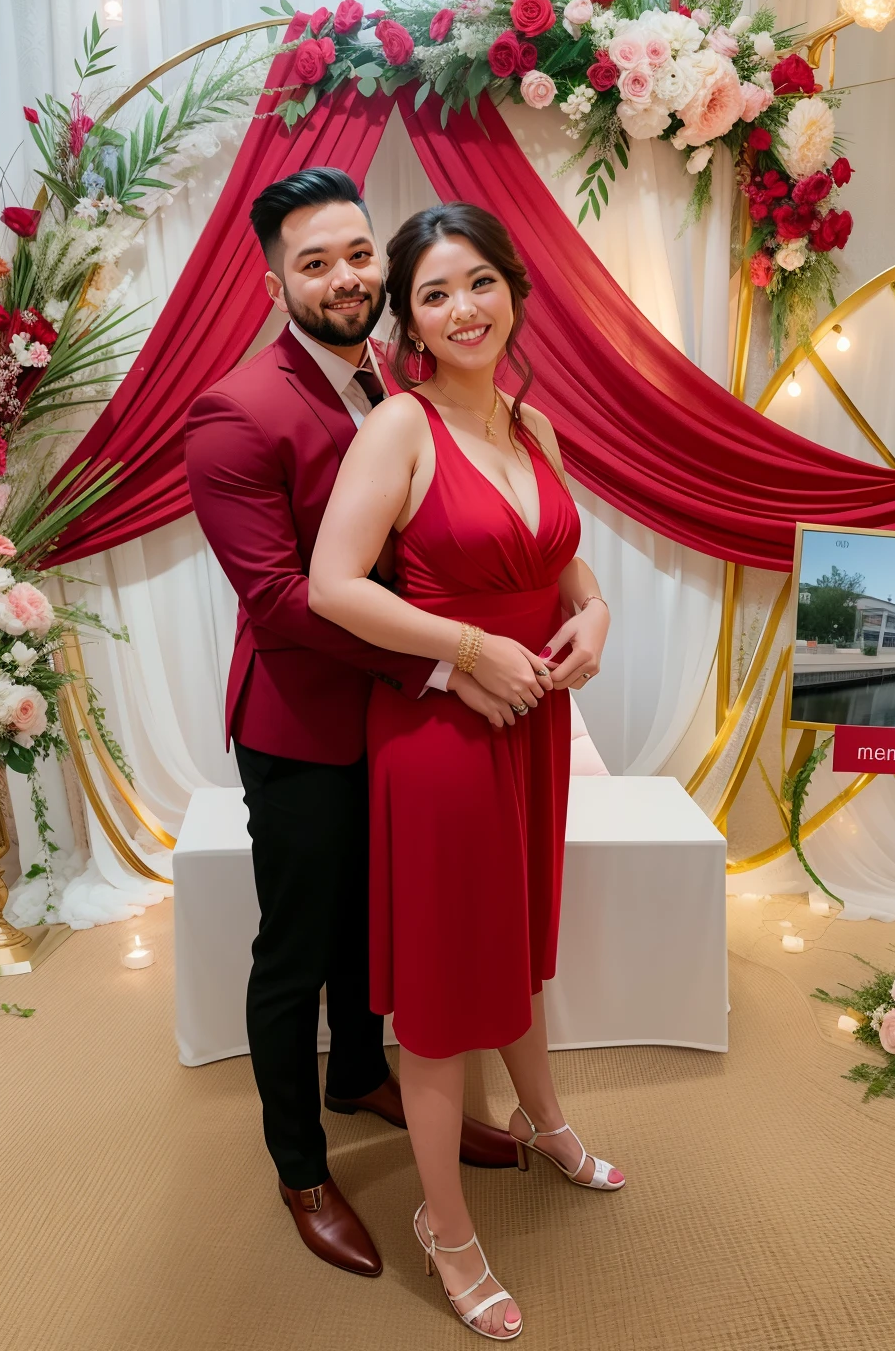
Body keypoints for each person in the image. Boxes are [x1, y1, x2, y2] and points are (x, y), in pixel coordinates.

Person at [184, 170, 518, 1281]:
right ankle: (300, 1164)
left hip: (396, 712)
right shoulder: (237, 409)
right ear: (273, 275)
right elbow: (280, 597)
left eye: (360, 255)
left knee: (378, 927)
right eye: (316, 262)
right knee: (297, 948)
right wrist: (441, 669)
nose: (347, 278)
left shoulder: (391, 375)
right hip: (304, 722)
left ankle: (361, 1074)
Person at [309, 202, 622, 1340]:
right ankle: (447, 1228)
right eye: (434, 294)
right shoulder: (396, 427)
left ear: (513, 291)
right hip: (443, 742)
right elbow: (334, 585)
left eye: (478, 282)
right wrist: (467, 647)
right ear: (411, 321)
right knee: (444, 1002)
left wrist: (597, 611)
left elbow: (564, 557)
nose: (462, 309)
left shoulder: (535, 428)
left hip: (533, 722)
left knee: (520, 943)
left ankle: (542, 1122)